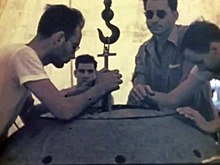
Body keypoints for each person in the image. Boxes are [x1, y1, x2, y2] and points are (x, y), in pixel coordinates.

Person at [0, 5, 122, 145]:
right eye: (74, 46)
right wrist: (101, 87)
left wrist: (76, 91)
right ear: (59, 38)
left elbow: (30, 115)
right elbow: (64, 111)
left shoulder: (15, 53)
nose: (73, 55)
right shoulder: (24, 56)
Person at [127, 0, 216, 122]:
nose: (154, 20)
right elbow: (141, 87)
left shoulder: (191, 38)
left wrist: (146, 95)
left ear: (175, 15)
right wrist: (138, 91)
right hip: (163, 126)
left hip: (195, 126)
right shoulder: (144, 51)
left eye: (161, 14)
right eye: (149, 14)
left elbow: (179, 98)